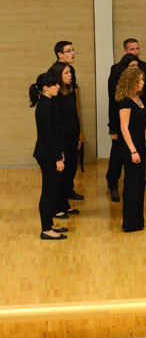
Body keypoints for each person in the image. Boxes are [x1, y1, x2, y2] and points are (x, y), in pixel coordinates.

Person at [30, 72, 68, 240]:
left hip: (51, 153)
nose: (58, 86)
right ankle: (46, 229)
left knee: (53, 190)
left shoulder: (49, 103)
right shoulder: (44, 107)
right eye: (55, 84)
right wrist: (57, 158)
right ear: (45, 88)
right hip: (47, 154)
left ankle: (49, 224)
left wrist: (60, 153)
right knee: (48, 191)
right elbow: (48, 136)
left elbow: (56, 132)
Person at [116, 67, 146, 232]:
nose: (143, 83)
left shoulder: (139, 99)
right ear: (131, 82)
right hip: (130, 147)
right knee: (132, 184)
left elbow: (143, 126)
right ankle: (130, 222)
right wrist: (133, 150)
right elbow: (124, 127)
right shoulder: (125, 101)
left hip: (140, 145)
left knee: (139, 184)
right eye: (139, 80)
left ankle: (138, 220)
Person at [51, 41, 84, 201]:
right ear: (60, 54)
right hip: (62, 130)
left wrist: (78, 132)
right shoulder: (53, 73)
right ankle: (61, 197)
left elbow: (73, 103)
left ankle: (68, 190)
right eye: (69, 51)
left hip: (72, 127)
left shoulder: (72, 71)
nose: (73, 53)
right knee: (64, 165)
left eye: (73, 50)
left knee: (72, 163)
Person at [106, 53, 140, 202]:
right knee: (117, 155)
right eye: (131, 66)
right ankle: (113, 183)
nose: (135, 68)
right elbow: (112, 104)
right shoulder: (116, 78)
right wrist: (113, 128)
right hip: (120, 123)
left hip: (135, 122)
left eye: (136, 66)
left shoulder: (138, 79)